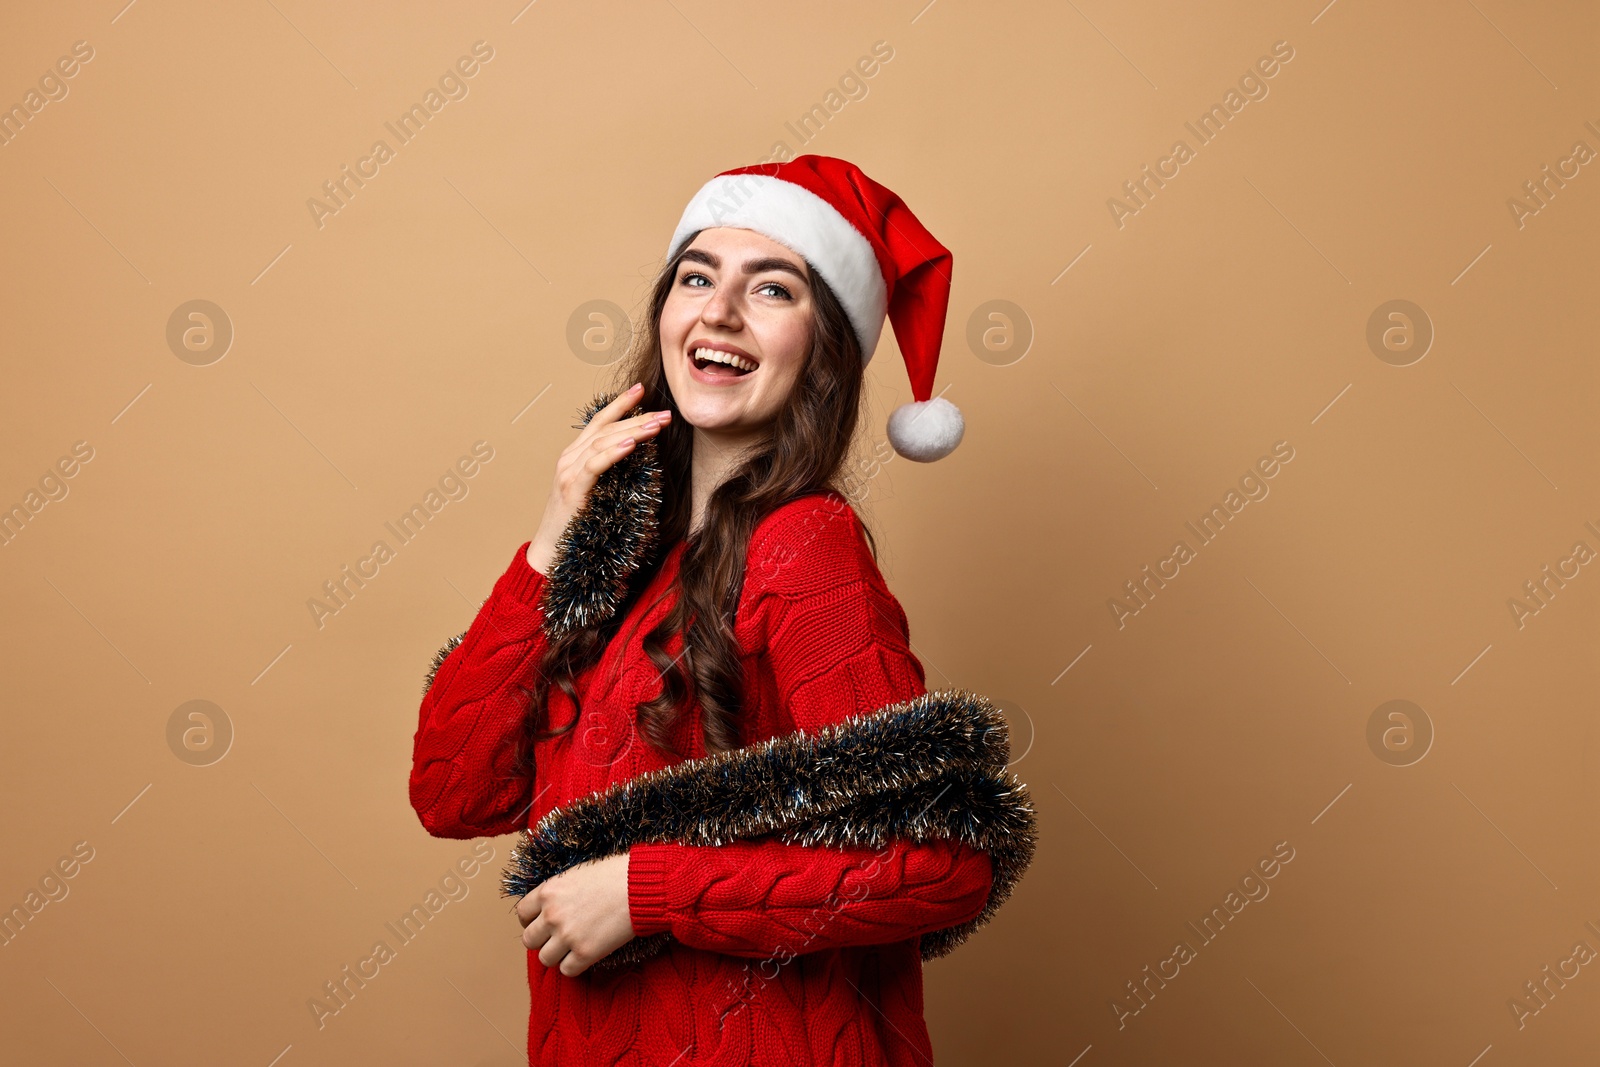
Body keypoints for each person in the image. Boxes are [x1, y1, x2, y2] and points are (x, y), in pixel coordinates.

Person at [409, 155, 1034, 1066]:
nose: (720, 311)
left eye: (772, 288)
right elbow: (452, 790)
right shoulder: (622, 563)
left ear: (823, 350)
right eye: (697, 277)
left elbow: (940, 860)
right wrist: (553, 540)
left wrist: (645, 891)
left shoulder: (804, 547)